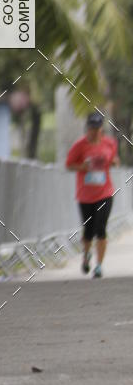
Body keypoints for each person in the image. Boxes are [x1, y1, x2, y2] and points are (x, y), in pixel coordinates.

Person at [65, 111, 119, 278]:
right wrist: (83, 167)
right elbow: (69, 165)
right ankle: (87, 255)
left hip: (105, 193)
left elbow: (113, 160)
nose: (95, 131)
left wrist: (115, 162)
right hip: (85, 195)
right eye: (92, 127)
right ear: (87, 127)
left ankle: (99, 266)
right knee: (88, 231)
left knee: (101, 228)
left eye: (97, 127)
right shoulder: (79, 146)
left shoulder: (110, 143)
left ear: (101, 127)